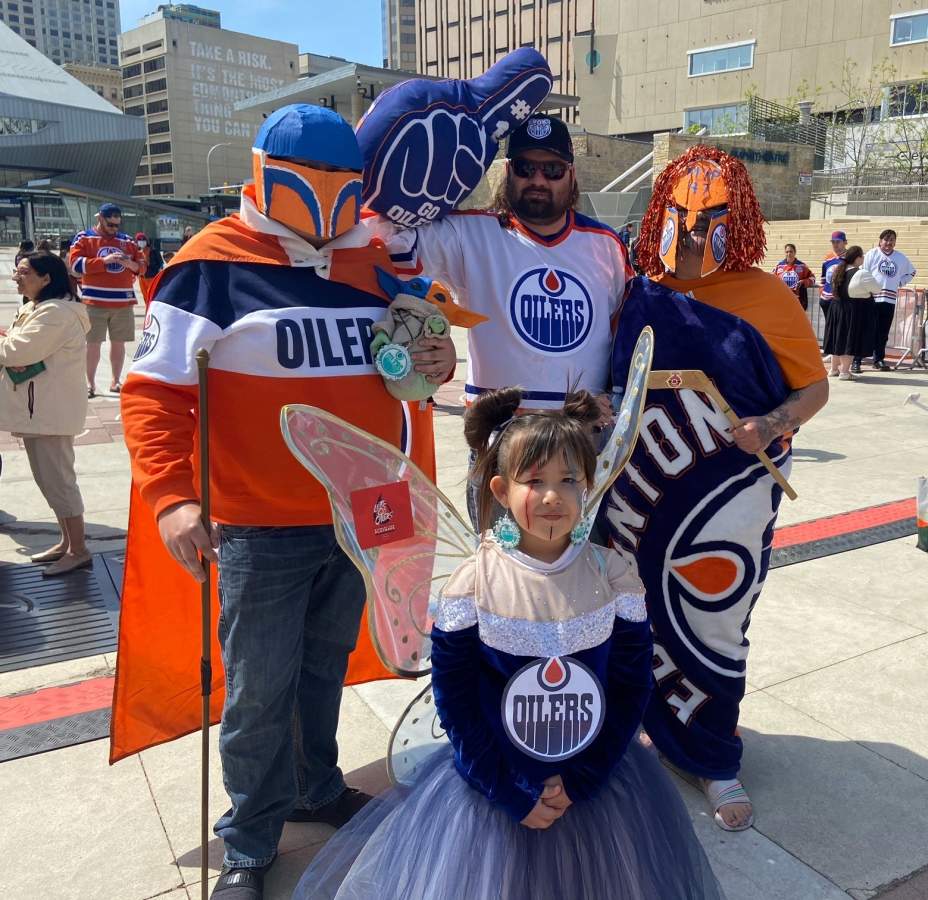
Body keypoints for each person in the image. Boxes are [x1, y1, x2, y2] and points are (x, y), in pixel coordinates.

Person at [118, 104, 456, 899]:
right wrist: (171, 497)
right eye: (315, 186)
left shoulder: (373, 264)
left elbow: (406, 373)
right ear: (268, 178)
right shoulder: (210, 264)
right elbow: (152, 393)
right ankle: (251, 837)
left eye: (345, 188)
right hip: (258, 522)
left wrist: (433, 361)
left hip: (361, 509)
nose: (331, 204)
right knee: (258, 688)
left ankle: (316, 785)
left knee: (322, 668)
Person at [295, 388, 726, 900]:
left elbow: (631, 683)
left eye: (569, 480)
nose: (552, 496)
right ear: (501, 489)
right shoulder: (474, 584)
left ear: (589, 485)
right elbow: (455, 700)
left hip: (593, 776)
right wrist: (506, 789)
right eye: (534, 481)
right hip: (495, 783)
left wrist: (585, 777)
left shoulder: (613, 575)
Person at [610, 145, 828, 831]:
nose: (697, 230)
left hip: (729, 495)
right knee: (632, 613)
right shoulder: (640, 285)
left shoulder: (766, 294)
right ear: (660, 212)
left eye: (712, 216)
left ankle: (710, 754)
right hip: (639, 489)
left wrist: (775, 421)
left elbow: (814, 387)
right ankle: (641, 730)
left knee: (716, 620)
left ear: (742, 217)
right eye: (684, 213)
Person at [376, 115, 631, 527]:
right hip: (502, 443)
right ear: (507, 171)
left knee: (580, 581)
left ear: (572, 175)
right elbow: (388, 243)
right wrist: (436, 173)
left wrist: (613, 396)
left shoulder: (606, 245)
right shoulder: (471, 232)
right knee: (501, 577)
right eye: (525, 167)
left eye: (552, 170)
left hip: (581, 446)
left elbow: (628, 335)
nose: (538, 180)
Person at [0, 252, 92, 576]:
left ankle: (78, 549)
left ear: (46, 278)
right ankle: (67, 542)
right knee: (48, 481)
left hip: (50, 410)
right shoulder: (36, 308)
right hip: (38, 409)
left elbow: (17, 351)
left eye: (24, 272)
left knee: (60, 482)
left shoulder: (56, 313)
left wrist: (9, 347)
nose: (17, 277)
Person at [68, 202, 144, 397]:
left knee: (119, 344)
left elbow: (142, 267)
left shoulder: (127, 241)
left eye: (117, 225)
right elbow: (75, 265)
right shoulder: (84, 238)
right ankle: (90, 384)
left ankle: (115, 381)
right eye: (110, 224)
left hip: (123, 302)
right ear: (100, 219)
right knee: (93, 344)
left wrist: (128, 263)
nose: (114, 229)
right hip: (94, 302)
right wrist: (105, 262)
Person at [861, 229, 915, 372]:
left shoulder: (900, 258)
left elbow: (912, 272)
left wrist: (899, 282)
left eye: (891, 240)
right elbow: (863, 272)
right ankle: (857, 359)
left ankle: (878, 359)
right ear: (880, 241)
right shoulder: (871, 254)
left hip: (889, 300)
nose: (888, 243)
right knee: (866, 330)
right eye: (886, 239)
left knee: (882, 332)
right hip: (872, 298)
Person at [824, 245, 879, 380]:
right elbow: (877, 288)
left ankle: (833, 369)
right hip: (851, 310)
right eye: (862, 256)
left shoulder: (838, 269)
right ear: (857, 258)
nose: (863, 258)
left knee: (837, 339)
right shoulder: (861, 273)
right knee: (849, 340)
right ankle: (844, 372)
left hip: (836, 308)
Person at [772, 242, 815, 310]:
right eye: (787, 252)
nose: (789, 254)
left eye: (791, 251)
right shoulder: (779, 266)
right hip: (783, 300)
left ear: (795, 252)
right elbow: (772, 280)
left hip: (798, 301)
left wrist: (804, 282)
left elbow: (813, 279)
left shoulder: (802, 266)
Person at [819, 229, 848, 318]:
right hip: (826, 300)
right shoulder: (828, 258)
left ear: (845, 242)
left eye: (838, 242)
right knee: (829, 328)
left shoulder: (850, 257)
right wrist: (821, 293)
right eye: (833, 242)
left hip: (841, 300)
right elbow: (823, 279)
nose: (835, 245)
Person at [133, 232, 165, 301]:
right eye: (139, 240)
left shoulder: (153, 250)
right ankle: (147, 311)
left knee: (152, 296)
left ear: (146, 241)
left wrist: (160, 271)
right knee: (145, 297)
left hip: (152, 278)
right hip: (142, 278)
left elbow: (161, 263)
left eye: (143, 240)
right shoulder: (137, 252)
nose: (141, 242)